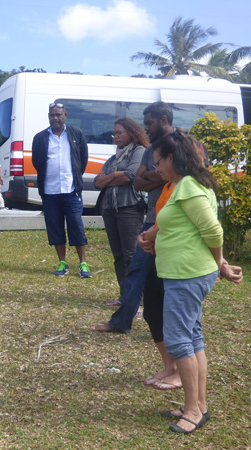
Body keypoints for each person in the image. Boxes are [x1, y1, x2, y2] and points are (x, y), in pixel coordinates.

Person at [142, 131, 242, 434]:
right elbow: (188, 226)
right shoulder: (185, 185)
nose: (156, 168)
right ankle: (198, 405)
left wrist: (220, 264)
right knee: (192, 338)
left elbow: (213, 232)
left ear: (172, 158)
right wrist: (154, 236)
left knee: (180, 341)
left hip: (188, 274)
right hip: (183, 272)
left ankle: (194, 410)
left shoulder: (189, 187)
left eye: (158, 161)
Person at [94, 102, 182, 389]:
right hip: (152, 221)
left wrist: (150, 176)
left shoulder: (185, 143)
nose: (145, 126)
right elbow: (140, 184)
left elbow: (142, 178)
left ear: (164, 120)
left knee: (173, 294)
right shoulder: (149, 149)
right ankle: (125, 323)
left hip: (174, 226)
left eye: (150, 122)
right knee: (141, 277)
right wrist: (158, 175)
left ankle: (182, 366)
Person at [32, 101, 91, 278]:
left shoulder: (76, 134)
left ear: (65, 115)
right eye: (52, 115)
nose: (55, 118)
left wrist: (75, 177)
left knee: (76, 226)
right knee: (55, 227)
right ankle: (62, 262)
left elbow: (83, 159)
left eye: (58, 114)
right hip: (50, 191)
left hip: (71, 190)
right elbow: (37, 162)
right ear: (48, 117)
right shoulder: (40, 138)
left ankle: (83, 263)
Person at [94, 118, 147, 304]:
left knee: (131, 254)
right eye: (114, 134)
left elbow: (130, 177)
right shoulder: (114, 158)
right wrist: (116, 174)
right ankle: (124, 296)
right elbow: (97, 183)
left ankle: (137, 299)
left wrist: (111, 177)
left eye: (119, 133)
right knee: (118, 255)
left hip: (129, 209)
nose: (115, 137)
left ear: (131, 132)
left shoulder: (138, 152)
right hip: (110, 209)